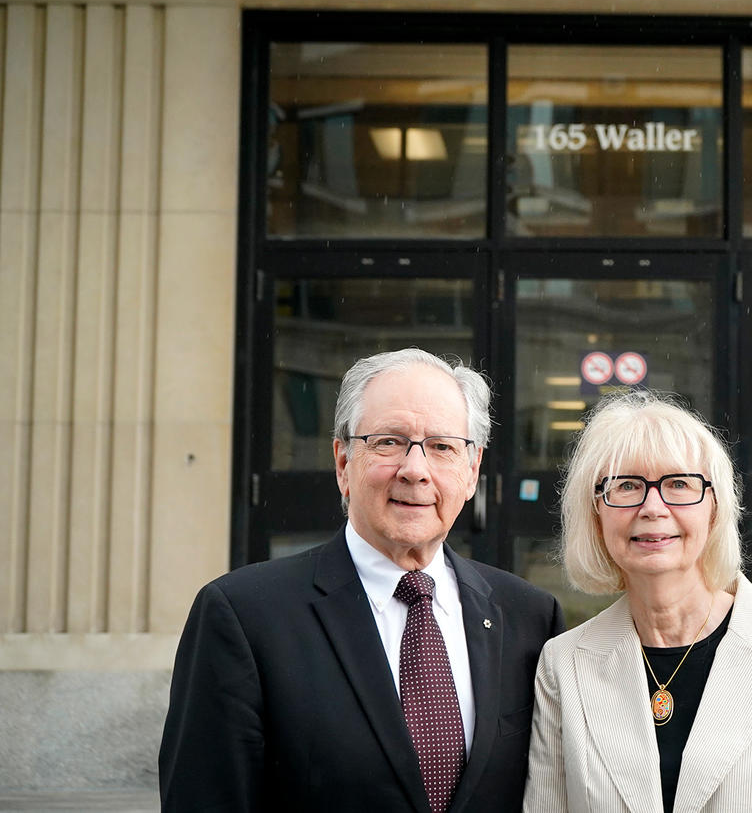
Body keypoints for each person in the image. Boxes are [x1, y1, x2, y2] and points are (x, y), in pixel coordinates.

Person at [159, 348, 563, 813]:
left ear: (472, 471)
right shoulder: (243, 616)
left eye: (442, 447)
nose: (415, 470)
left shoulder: (529, 617)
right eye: (389, 441)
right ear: (343, 462)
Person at [524, 390, 752, 813]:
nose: (652, 507)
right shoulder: (563, 664)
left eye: (678, 484)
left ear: (715, 509)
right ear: (596, 512)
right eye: (627, 486)